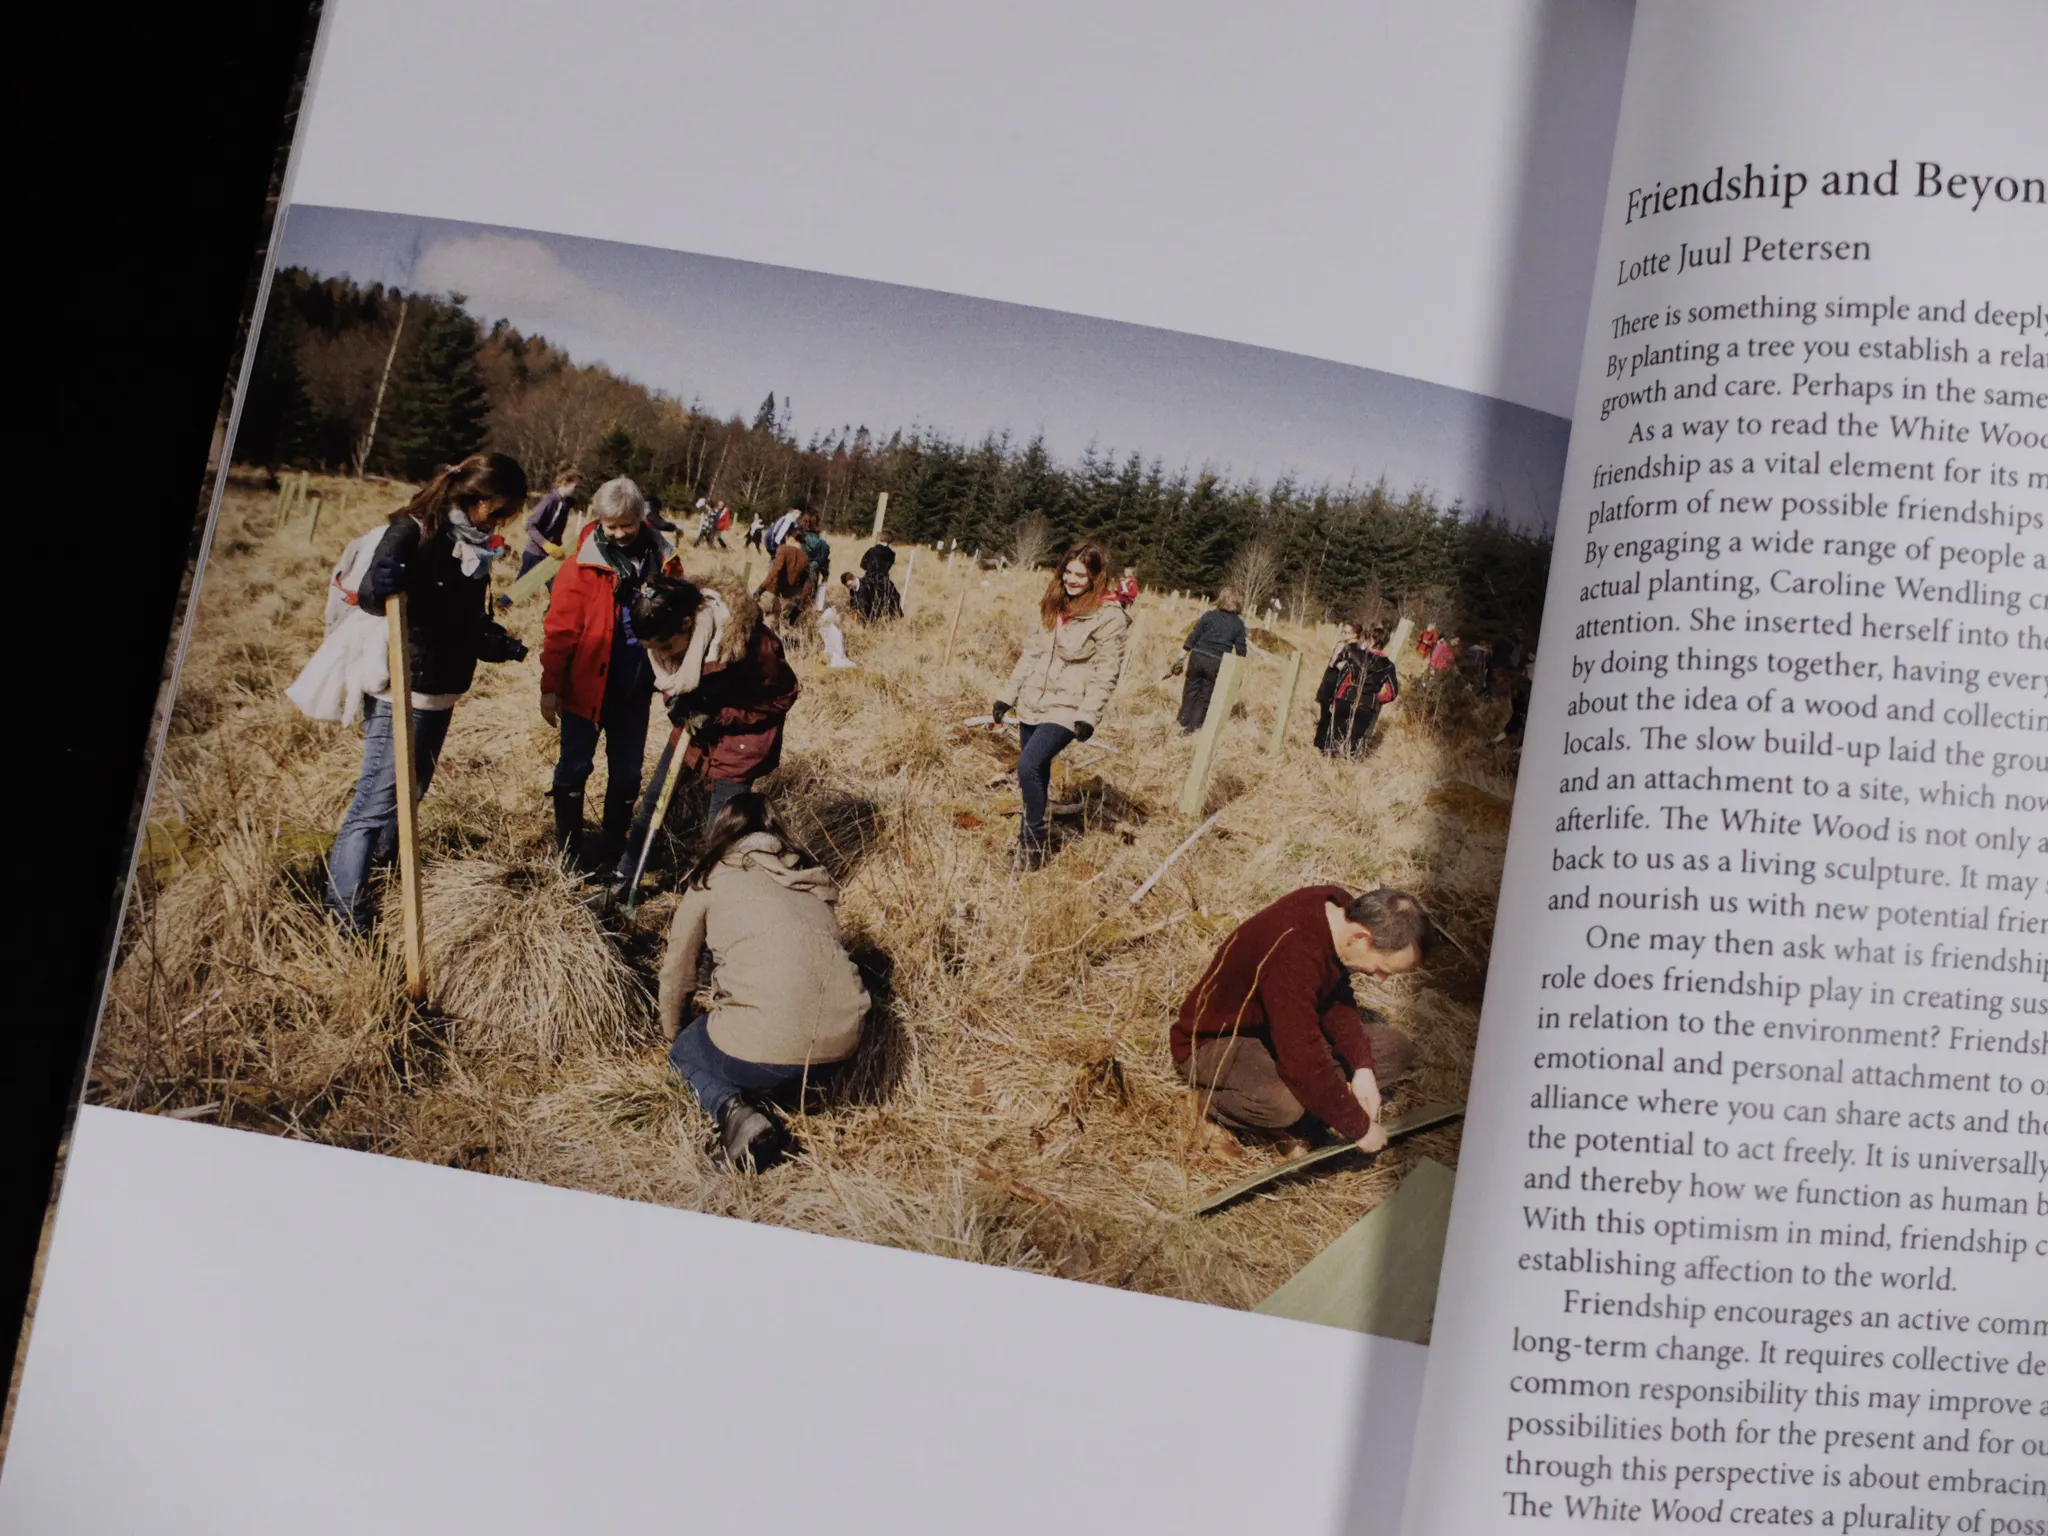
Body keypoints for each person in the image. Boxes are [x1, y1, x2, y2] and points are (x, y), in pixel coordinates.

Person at [325, 452, 531, 931]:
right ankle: (345, 914)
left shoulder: (476, 546)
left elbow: (461, 620)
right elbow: (375, 597)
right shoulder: (414, 530)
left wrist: (494, 643)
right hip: (405, 692)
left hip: (442, 694)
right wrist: (385, 582)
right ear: (476, 499)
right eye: (500, 510)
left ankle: (380, 878)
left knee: (409, 796)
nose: (505, 521)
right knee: (374, 805)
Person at [657, 793, 869, 1171]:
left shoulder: (710, 879)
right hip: (842, 1047)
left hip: (767, 1049)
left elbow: (678, 972)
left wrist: (678, 1036)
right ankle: (775, 1093)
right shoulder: (807, 877)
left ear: (720, 832)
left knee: (686, 1053)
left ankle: (736, 1113)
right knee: (773, 1051)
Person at [1173, 885, 1426, 1151]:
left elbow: (1335, 999)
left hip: (1276, 1029)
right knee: (1284, 1105)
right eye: (1380, 968)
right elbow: (1301, 1058)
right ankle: (1208, 1106)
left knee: (1395, 1048)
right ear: (1360, 938)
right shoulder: (1295, 953)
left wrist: (1362, 1067)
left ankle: (1320, 1100)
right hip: (1217, 1041)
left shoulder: (1342, 913)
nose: (1380, 979)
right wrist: (1358, 1127)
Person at [538, 476, 682, 873]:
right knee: (573, 768)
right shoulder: (581, 565)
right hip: (586, 688)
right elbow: (560, 631)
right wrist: (550, 688)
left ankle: (613, 850)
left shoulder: (664, 559)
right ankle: (569, 853)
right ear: (599, 521)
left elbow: (678, 615)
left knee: (628, 775)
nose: (619, 533)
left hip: (635, 689)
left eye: (627, 525)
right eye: (610, 526)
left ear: (642, 518)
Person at [991, 542, 1130, 872]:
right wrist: (1007, 696)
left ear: (1096, 577)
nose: (1071, 579)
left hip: (1069, 706)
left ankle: (1034, 841)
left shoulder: (1108, 617)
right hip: (1033, 700)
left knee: (1028, 764)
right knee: (1034, 773)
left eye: (1080, 574)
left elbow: (1106, 672)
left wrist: (1088, 715)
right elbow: (1032, 654)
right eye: (1068, 571)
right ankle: (1029, 837)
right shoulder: (1053, 602)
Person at [634, 575, 801, 824]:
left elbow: (782, 697)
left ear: (687, 623)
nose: (661, 656)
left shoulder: (749, 645)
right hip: (692, 731)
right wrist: (675, 702)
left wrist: (717, 717)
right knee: (654, 804)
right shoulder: (668, 638)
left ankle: (719, 863)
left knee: (721, 826)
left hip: (740, 745)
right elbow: (674, 675)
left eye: (666, 647)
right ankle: (629, 864)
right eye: (652, 649)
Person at [1314, 620, 1399, 757]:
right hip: (1366, 706)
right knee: (1352, 743)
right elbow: (1392, 693)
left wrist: (1335, 700)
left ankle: (1329, 767)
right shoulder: (1389, 666)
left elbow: (1343, 680)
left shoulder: (1356, 655)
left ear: (1370, 639)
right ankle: (1347, 771)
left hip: (1346, 699)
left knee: (1334, 738)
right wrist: (1376, 698)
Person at [1172, 585, 1248, 734]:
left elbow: (1193, 637)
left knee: (1190, 689)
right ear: (1239, 602)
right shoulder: (1238, 624)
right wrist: (1238, 674)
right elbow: (1241, 651)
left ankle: (1183, 719)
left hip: (1197, 656)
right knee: (1205, 694)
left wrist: (1180, 658)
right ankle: (1193, 727)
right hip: (1216, 662)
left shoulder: (1209, 615)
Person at [517, 469, 581, 577]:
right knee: (517, 591)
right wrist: (545, 544)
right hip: (535, 554)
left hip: (550, 556)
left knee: (557, 588)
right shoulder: (550, 501)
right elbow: (529, 525)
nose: (576, 490)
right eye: (575, 486)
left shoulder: (564, 504)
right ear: (565, 482)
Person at [753, 517, 811, 630]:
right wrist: (800, 606)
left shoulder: (784, 549)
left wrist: (760, 589)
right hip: (788, 599)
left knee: (759, 620)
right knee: (775, 625)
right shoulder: (805, 558)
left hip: (772, 593)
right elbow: (807, 585)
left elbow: (775, 571)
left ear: (789, 538)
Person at [852, 530, 903, 623]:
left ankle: (860, 619)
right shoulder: (892, 554)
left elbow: (863, 565)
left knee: (859, 597)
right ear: (890, 541)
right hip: (883, 581)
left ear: (880, 538)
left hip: (869, 579)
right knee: (893, 598)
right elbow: (888, 567)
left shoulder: (872, 550)